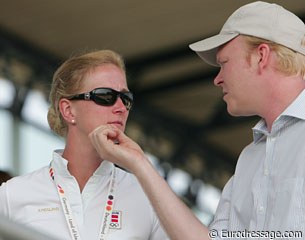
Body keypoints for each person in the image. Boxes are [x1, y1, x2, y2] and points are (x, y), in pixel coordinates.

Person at [88, 1, 305, 240]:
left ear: (260, 56)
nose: (217, 79)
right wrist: (140, 163)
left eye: (224, 63)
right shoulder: (250, 161)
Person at [0, 50, 169, 240]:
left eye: (126, 98)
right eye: (105, 96)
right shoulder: (11, 195)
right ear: (68, 110)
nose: (121, 108)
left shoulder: (150, 197)